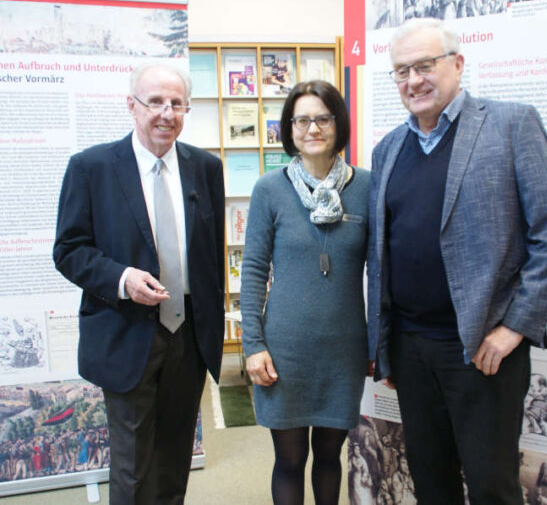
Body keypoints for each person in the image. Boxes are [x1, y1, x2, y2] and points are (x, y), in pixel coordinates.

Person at [367, 18, 547, 504]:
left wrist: (514, 328)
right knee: (431, 482)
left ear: (457, 65)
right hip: (413, 351)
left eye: (424, 65)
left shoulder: (510, 124)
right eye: (401, 71)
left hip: (483, 352)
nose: (413, 80)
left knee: (490, 487)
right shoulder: (388, 149)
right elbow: (384, 254)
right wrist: (387, 343)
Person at [53, 63, 225, 504]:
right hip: (126, 332)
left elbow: (209, 255)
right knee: (131, 466)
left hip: (187, 336)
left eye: (177, 103)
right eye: (155, 102)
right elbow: (69, 250)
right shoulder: (91, 168)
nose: (167, 113)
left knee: (174, 460)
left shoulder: (205, 168)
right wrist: (123, 278)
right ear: (132, 105)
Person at [241, 80, 369, 505]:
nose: (312, 128)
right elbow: (254, 271)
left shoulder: (367, 187)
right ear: (289, 128)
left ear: (339, 124)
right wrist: (253, 344)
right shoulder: (269, 189)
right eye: (301, 120)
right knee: (290, 460)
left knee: (331, 455)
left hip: (343, 350)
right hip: (285, 351)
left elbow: (382, 270)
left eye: (322, 118)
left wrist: (379, 341)